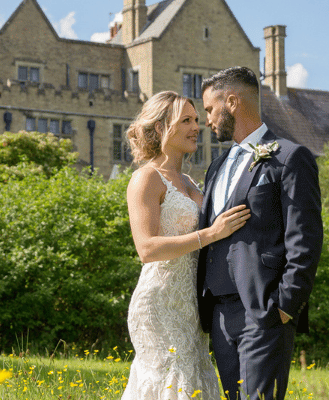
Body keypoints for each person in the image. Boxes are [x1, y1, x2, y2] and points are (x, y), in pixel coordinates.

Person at [196, 66, 323, 400]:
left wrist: (284, 306)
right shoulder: (216, 168)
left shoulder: (290, 157)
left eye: (210, 109)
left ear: (233, 102)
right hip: (220, 314)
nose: (207, 120)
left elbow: (305, 240)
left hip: (264, 310)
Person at [122, 90, 251, 400]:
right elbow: (147, 249)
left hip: (192, 306)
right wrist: (211, 233)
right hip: (160, 303)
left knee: (195, 383)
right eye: (186, 121)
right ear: (160, 128)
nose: (197, 127)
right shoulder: (146, 179)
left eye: (196, 119)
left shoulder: (192, 183)